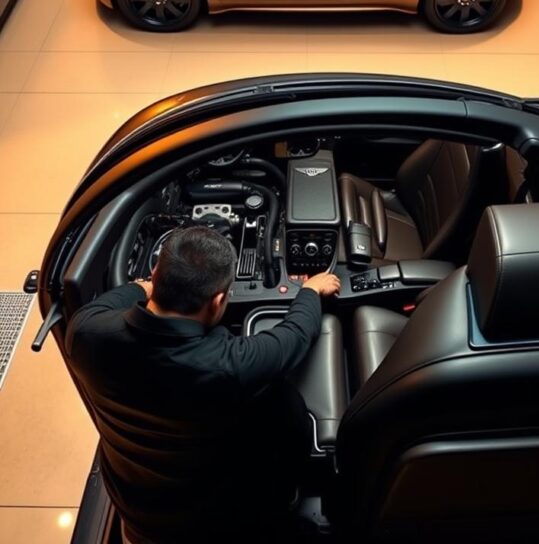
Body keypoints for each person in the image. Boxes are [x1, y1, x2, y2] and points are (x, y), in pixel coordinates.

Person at [65, 224, 341, 544]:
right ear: (218, 301)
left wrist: (150, 286)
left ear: (156, 274)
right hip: (210, 518)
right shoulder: (229, 368)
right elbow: (294, 336)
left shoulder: (84, 331)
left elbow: (123, 295)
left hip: (134, 502)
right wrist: (310, 290)